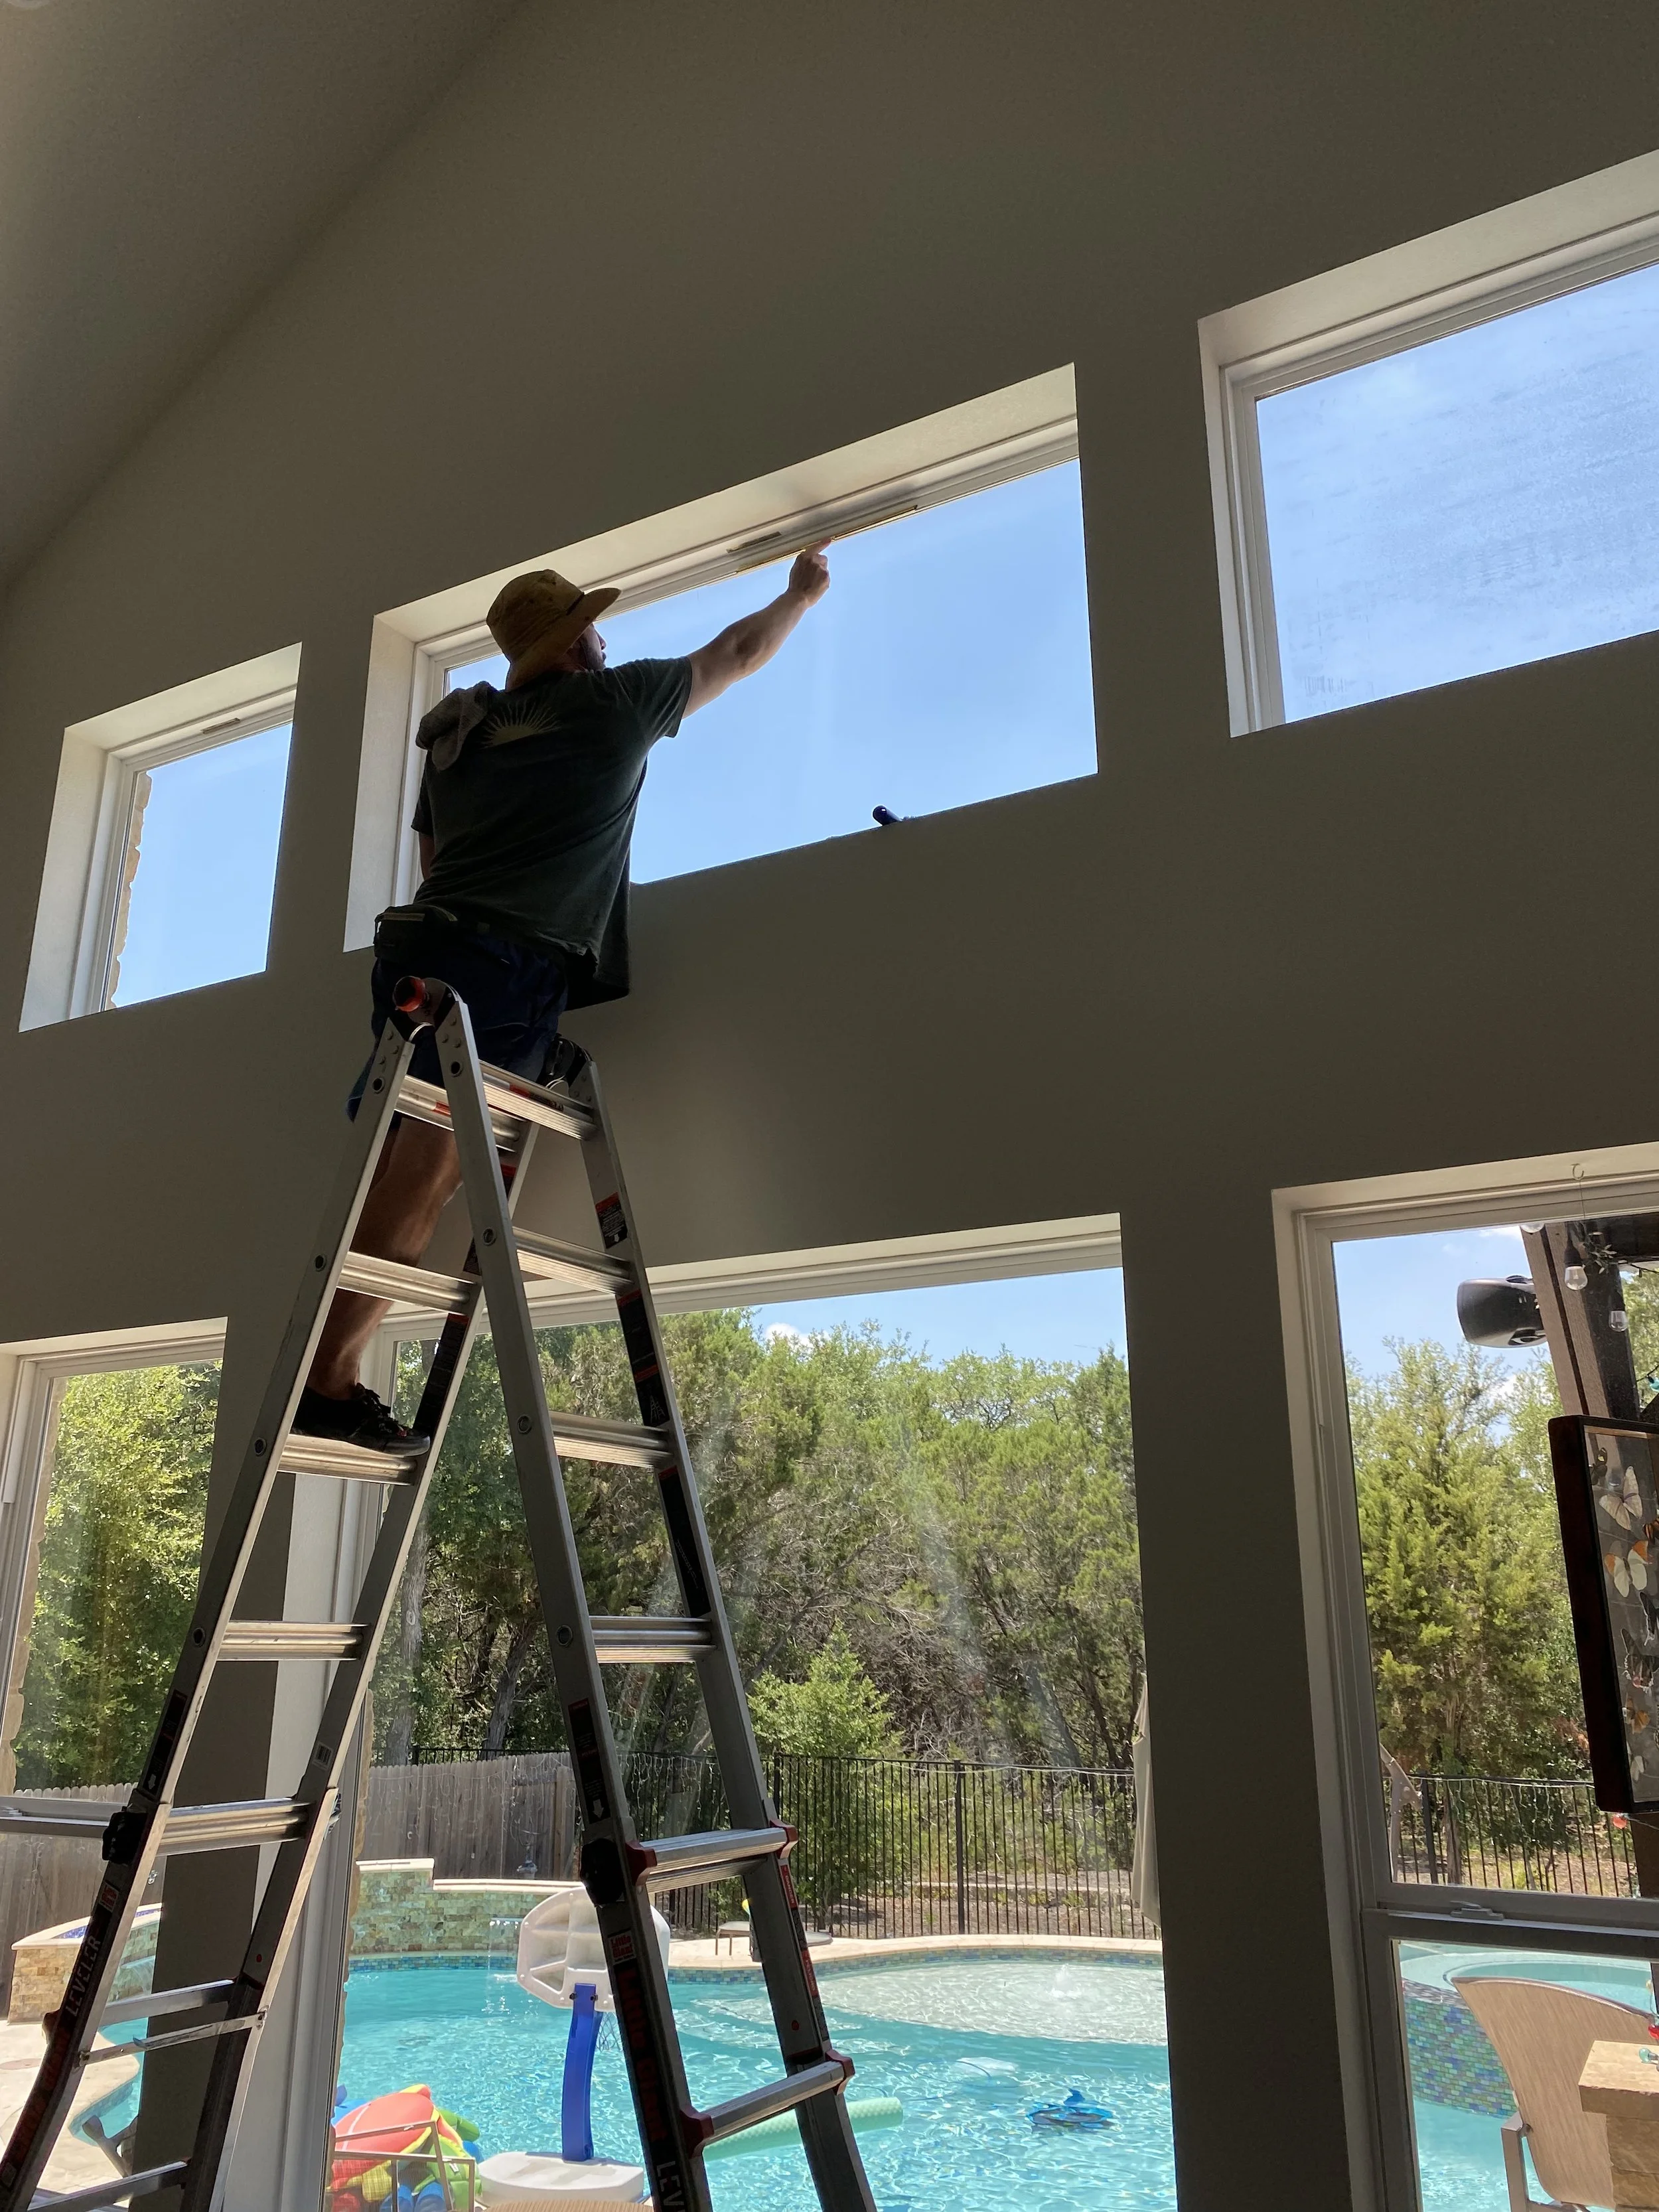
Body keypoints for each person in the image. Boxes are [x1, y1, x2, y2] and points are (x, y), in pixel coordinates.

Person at [294, 542, 831, 1450]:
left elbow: (433, 862)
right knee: (427, 1179)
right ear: (578, 640)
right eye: (596, 628)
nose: (609, 645)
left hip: (418, 956)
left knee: (397, 1168)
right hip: (501, 971)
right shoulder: (612, 707)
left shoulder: (459, 731)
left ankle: (327, 1367)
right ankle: (328, 1383)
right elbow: (735, 654)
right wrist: (800, 595)